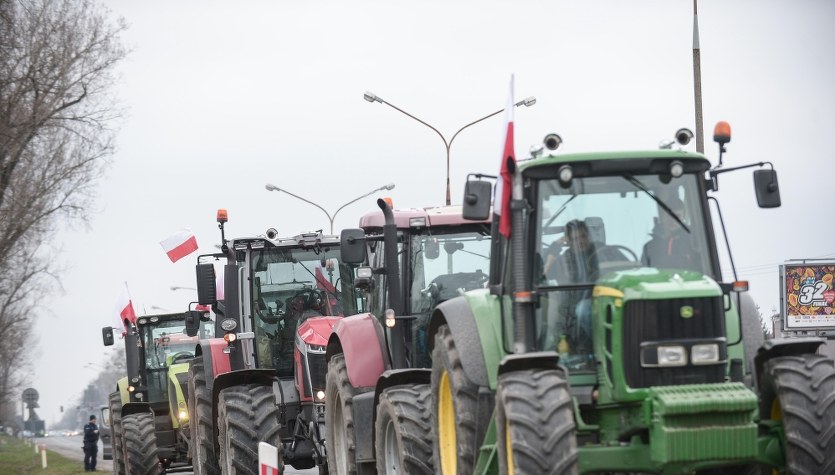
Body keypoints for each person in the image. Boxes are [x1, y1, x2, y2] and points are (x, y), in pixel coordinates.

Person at [641, 199, 694, 270]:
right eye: (669, 215)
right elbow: (645, 272)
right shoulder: (649, 247)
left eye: (677, 216)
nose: (673, 220)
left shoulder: (693, 242)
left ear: (683, 217)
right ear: (662, 216)